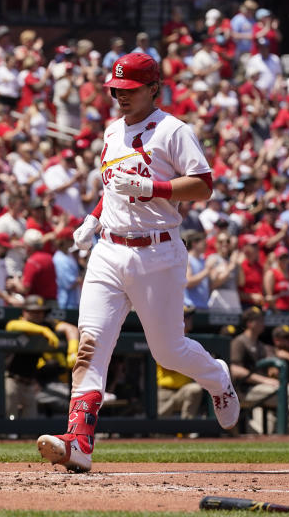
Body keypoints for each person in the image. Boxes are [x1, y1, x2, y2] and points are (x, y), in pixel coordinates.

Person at [38, 53, 240, 473]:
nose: (120, 97)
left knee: (168, 352)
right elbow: (114, 187)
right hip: (108, 251)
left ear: (154, 88)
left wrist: (153, 187)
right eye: (116, 90)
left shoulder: (173, 130)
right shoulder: (112, 131)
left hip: (158, 251)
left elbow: (203, 187)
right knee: (90, 345)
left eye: (129, 90)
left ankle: (217, 377)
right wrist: (93, 219)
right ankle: (78, 441)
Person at [5, 296, 75, 419]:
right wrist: (42, 330)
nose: (37, 314)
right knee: (9, 421)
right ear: (25, 312)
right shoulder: (21, 324)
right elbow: (11, 326)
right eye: (33, 311)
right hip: (12, 380)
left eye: (40, 311)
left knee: (30, 424)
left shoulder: (47, 324)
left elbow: (71, 328)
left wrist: (73, 350)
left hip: (30, 383)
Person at [229, 306, 289, 433]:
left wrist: (273, 370)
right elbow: (235, 369)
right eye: (259, 320)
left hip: (263, 389)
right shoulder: (239, 342)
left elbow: (272, 362)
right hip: (245, 390)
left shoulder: (260, 345)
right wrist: (264, 380)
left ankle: (288, 433)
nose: (263, 323)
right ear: (249, 323)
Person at [156, 306, 204, 420]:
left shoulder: (192, 341)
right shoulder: (164, 339)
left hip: (184, 391)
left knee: (195, 389)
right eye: (186, 317)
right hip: (164, 391)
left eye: (189, 317)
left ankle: (186, 430)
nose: (189, 320)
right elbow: (169, 365)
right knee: (158, 433)